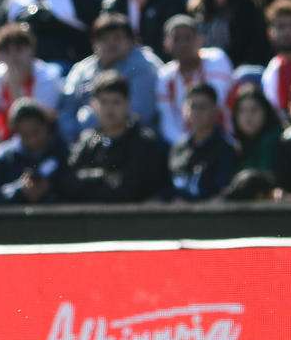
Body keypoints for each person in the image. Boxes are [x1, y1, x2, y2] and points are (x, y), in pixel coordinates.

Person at [63, 72, 170, 202]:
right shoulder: (87, 140)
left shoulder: (144, 141)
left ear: (127, 104)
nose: (109, 109)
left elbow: (131, 189)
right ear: (93, 105)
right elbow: (69, 182)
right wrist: (101, 176)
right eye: (103, 102)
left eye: (116, 102)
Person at [61, 14, 162, 143]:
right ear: (94, 42)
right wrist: (74, 140)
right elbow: (66, 110)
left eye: (117, 38)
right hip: (86, 143)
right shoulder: (81, 69)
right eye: (104, 38)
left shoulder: (144, 65)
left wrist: (88, 122)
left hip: (134, 143)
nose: (111, 43)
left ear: (131, 41)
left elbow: (140, 114)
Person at [154, 15, 233, 147]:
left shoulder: (216, 59)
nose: (183, 44)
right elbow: (168, 123)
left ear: (200, 40)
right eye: (176, 38)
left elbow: (215, 106)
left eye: (188, 37)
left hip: (222, 141)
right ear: (166, 44)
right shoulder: (164, 76)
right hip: (184, 147)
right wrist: (187, 147)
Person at [0, 97, 72, 205]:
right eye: (26, 135)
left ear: (46, 126)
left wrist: (51, 187)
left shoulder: (62, 152)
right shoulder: (3, 159)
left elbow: (77, 188)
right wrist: (19, 190)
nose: (33, 140)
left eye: (36, 132)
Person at [168, 82, 237, 200]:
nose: (197, 112)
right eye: (193, 106)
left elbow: (222, 193)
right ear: (185, 110)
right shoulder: (178, 148)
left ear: (215, 110)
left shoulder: (227, 148)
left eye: (203, 107)